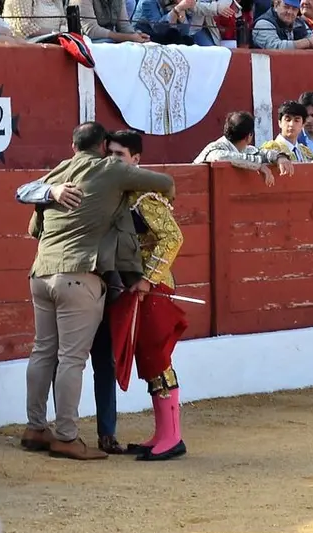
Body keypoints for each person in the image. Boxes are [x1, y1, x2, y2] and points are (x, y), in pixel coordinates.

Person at [16, 122, 176, 461]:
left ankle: (34, 428)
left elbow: (33, 226)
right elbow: (166, 184)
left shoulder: (58, 173)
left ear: (72, 145)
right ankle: (67, 436)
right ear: (103, 146)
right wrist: (122, 191)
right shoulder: (111, 170)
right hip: (79, 277)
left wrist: (52, 194)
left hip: (40, 273)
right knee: (72, 359)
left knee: (43, 351)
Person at [105, 130, 187, 461]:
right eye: (109, 153)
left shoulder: (144, 198)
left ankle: (173, 437)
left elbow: (174, 238)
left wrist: (148, 279)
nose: (112, 160)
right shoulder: (123, 195)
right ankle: (163, 433)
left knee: (158, 359)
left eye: (119, 155)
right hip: (139, 287)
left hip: (153, 288)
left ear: (136, 160)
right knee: (150, 361)